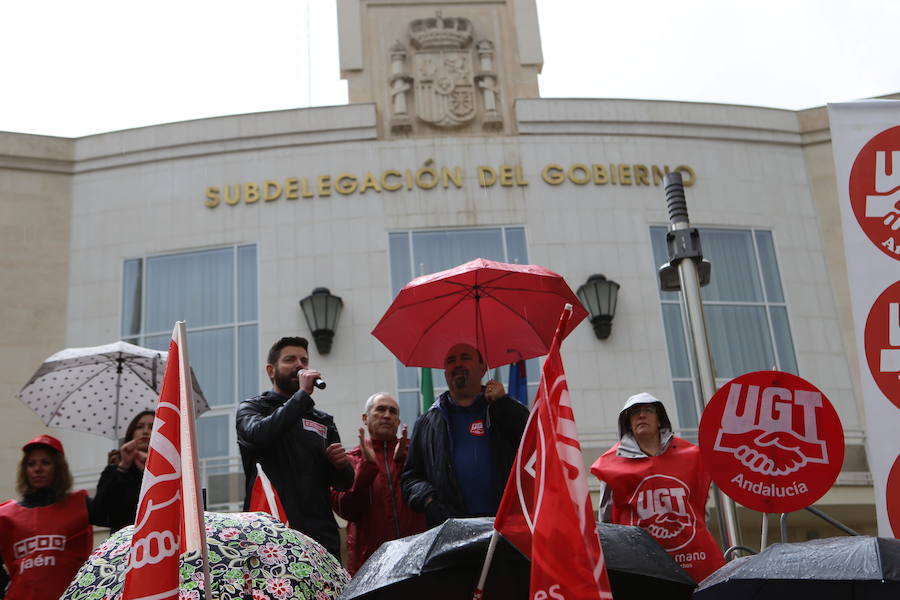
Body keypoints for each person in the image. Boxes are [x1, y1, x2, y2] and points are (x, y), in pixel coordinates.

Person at [236, 336, 353, 560]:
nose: (299, 365)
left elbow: (343, 483)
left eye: (304, 360)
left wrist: (342, 466)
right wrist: (301, 397)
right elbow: (258, 435)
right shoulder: (253, 408)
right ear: (271, 370)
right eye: (290, 359)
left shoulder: (322, 420)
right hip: (271, 532)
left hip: (321, 537)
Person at [590, 392, 725, 583]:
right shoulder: (610, 465)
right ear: (628, 422)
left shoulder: (692, 456)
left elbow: (700, 509)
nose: (641, 415)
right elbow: (607, 521)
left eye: (648, 410)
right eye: (635, 412)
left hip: (692, 560)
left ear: (660, 419)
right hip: (641, 565)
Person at [402, 343, 529, 528]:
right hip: (450, 529)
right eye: (451, 361)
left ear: (483, 368)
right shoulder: (427, 423)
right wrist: (428, 500)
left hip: (505, 526)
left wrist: (504, 404)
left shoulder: (503, 408)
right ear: (445, 372)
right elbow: (411, 477)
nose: (458, 364)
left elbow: (531, 448)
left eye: (465, 358)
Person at [331, 392, 426, 574]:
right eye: (380, 409)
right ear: (365, 418)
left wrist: (402, 465)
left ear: (398, 422)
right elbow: (345, 510)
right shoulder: (351, 460)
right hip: (370, 567)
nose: (387, 415)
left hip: (415, 561)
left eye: (393, 412)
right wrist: (367, 468)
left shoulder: (414, 455)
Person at [0, 435, 96, 599]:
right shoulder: (6, 515)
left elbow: (120, 517)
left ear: (58, 468)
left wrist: (119, 470)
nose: (38, 469)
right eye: (31, 464)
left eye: (46, 463)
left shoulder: (80, 505)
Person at [91, 410, 154, 532]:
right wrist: (123, 467)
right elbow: (97, 513)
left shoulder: (169, 472)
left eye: (152, 427)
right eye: (140, 427)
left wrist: (149, 472)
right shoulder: (114, 470)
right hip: (124, 545)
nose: (146, 431)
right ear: (131, 433)